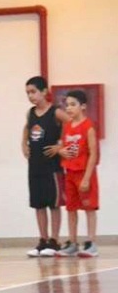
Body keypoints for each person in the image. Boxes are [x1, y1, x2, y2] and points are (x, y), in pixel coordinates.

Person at [23, 76, 67, 257]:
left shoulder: (56, 112)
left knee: (53, 204)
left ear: (44, 92)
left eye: (33, 92)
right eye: (28, 93)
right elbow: (27, 128)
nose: (30, 96)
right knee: (38, 204)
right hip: (35, 165)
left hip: (52, 166)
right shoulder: (31, 113)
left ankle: (54, 241)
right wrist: (23, 144)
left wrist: (60, 146)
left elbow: (73, 125)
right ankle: (43, 239)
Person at [57, 90, 99, 258]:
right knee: (71, 209)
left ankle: (91, 243)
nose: (69, 108)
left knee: (89, 208)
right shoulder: (67, 127)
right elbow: (62, 146)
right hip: (70, 173)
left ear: (83, 106)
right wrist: (62, 151)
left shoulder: (88, 127)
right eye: (67, 105)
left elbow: (93, 154)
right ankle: (73, 242)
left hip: (84, 173)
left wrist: (87, 177)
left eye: (73, 104)